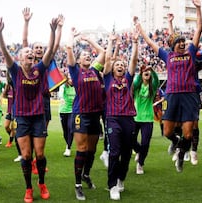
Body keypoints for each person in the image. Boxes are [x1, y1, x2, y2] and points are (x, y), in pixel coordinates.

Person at [0, 16, 58, 203]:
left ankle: (41, 183)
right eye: (26, 52)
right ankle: (29, 188)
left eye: (32, 52)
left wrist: (53, 31)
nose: (31, 53)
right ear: (20, 58)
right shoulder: (15, 70)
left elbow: (50, 51)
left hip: (38, 117)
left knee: (39, 154)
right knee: (26, 155)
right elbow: (5, 51)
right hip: (22, 118)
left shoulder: (40, 68)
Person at [136, 0, 202, 172]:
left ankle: (181, 153)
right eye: (179, 42)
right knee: (167, 132)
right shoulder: (168, 56)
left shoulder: (190, 54)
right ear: (173, 45)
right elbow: (151, 43)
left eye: (184, 41)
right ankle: (176, 143)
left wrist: (198, 9)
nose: (182, 43)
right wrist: (140, 28)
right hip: (172, 96)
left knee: (188, 134)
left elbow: (199, 30)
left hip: (188, 96)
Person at [22, 7, 64, 174]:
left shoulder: (46, 62)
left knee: (42, 133)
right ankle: (31, 158)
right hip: (28, 100)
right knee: (30, 134)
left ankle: (37, 160)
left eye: (41, 47)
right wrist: (26, 22)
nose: (38, 49)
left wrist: (59, 28)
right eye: (36, 47)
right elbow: (24, 42)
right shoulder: (28, 62)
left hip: (43, 99)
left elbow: (54, 45)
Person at [66, 27, 105, 200]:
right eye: (84, 56)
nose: (88, 57)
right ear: (79, 60)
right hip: (80, 114)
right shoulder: (75, 72)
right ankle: (78, 184)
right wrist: (73, 37)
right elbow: (68, 49)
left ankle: (86, 174)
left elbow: (103, 52)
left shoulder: (95, 71)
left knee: (92, 150)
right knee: (81, 149)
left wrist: (89, 40)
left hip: (95, 115)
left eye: (89, 55)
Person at [103, 28, 138, 200]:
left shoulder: (128, 79)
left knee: (126, 153)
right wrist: (110, 42)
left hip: (128, 119)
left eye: (122, 65)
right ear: (112, 69)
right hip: (112, 119)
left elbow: (133, 60)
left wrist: (135, 42)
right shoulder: (107, 78)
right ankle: (112, 185)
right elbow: (109, 59)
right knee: (114, 152)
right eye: (117, 65)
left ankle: (121, 178)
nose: (120, 66)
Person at [133, 62, 160, 175]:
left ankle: (140, 164)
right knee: (130, 140)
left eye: (148, 72)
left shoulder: (152, 88)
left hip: (148, 119)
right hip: (135, 118)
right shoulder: (137, 87)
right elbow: (135, 82)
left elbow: (157, 81)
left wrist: (152, 70)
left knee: (145, 143)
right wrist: (140, 72)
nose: (146, 72)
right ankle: (139, 151)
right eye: (145, 72)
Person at [2, 73, 22, 162]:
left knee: (14, 129)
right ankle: (12, 137)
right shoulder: (8, 86)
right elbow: (4, 95)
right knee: (6, 126)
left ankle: (10, 141)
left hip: (16, 111)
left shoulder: (18, 87)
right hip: (9, 110)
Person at [58, 70, 76, 157]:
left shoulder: (76, 87)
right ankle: (68, 144)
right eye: (69, 78)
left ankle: (68, 148)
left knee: (70, 128)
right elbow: (60, 93)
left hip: (72, 111)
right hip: (63, 110)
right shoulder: (63, 86)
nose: (71, 80)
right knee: (65, 131)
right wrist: (61, 98)